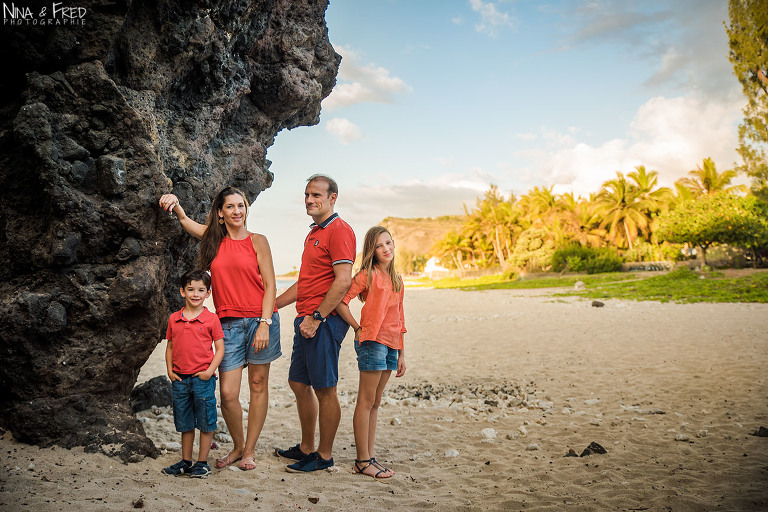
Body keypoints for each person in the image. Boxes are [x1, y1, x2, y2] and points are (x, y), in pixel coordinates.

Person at [158, 187, 280, 471]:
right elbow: (186, 222)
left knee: (258, 386)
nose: (238, 211)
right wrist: (174, 202)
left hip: (261, 321)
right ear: (221, 213)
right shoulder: (213, 240)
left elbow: (271, 285)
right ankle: (237, 445)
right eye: (231, 207)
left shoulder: (259, 241)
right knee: (227, 393)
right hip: (228, 324)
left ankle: (249, 450)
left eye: (241, 205)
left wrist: (265, 323)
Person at [274, 174, 356, 473]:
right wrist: (274, 304)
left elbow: (343, 281)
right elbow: (305, 282)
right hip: (305, 319)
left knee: (325, 389)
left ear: (332, 198)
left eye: (316, 195)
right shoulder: (314, 233)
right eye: (307, 195)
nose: (309, 200)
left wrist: (317, 317)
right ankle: (307, 447)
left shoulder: (339, 230)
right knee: (298, 382)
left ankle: (324, 455)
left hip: (323, 321)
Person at [335, 226, 406, 479]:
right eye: (379, 245)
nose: (386, 249)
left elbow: (399, 318)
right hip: (371, 342)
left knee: (375, 402)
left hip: (390, 344)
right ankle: (362, 461)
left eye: (388, 243)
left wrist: (401, 353)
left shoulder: (398, 280)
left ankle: (370, 457)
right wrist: (357, 327)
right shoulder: (368, 274)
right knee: (366, 402)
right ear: (372, 251)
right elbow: (341, 301)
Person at [162, 269, 225, 478]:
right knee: (185, 422)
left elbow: (220, 348)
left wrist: (209, 371)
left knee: (206, 422)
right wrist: (170, 370)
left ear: (208, 293)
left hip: (203, 380)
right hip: (180, 379)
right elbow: (170, 346)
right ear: (182, 292)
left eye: (201, 290)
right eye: (190, 289)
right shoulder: (174, 319)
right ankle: (186, 461)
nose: (195, 294)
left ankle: (202, 462)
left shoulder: (211, 319)